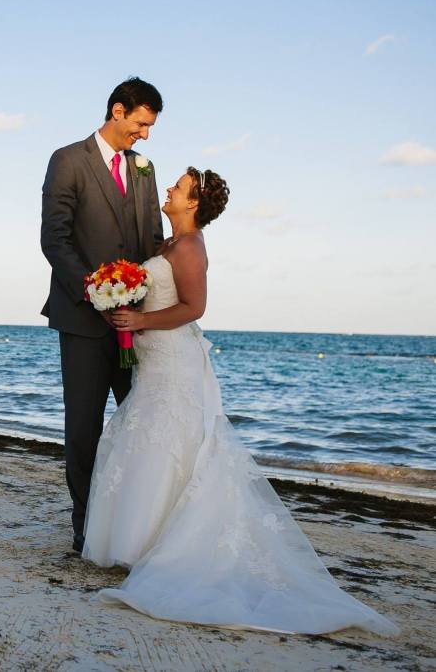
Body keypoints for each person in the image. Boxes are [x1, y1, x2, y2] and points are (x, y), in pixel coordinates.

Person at [82, 168, 398, 635]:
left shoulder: (190, 246)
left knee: (167, 441)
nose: (169, 189)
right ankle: (139, 541)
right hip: (154, 360)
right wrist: (126, 312)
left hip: (174, 361)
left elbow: (194, 308)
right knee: (148, 439)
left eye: (179, 187)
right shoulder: (167, 244)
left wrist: (139, 322)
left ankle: (161, 545)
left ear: (194, 202)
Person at [40, 77, 165, 553]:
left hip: (137, 323)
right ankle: (86, 527)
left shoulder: (145, 170)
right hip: (83, 320)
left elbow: (152, 240)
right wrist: (98, 294)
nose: (144, 135)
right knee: (84, 429)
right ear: (118, 111)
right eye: (141, 124)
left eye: (149, 128)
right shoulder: (68, 160)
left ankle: (134, 523)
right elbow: (55, 239)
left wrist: (145, 301)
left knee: (142, 424)